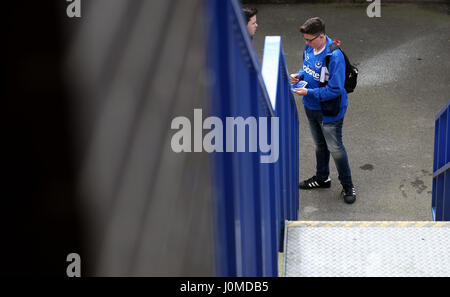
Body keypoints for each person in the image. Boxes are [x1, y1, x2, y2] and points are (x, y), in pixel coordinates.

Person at [290, 17, 356, 204]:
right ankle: (322, 178)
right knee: (320, 146)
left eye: (310, 39)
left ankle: (348, 185)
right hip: (311, 107)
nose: (307, 43)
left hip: (329, 112)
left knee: (335, 148)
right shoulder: (310, 47)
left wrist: (308, 91)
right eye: (305, 40)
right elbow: (307, 67)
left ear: (322, 36)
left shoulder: (335, 56)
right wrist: (299, 75)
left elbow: (336, 89)